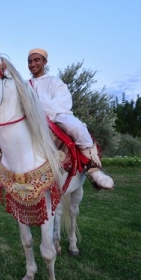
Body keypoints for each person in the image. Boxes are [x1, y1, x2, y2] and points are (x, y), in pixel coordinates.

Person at [27, 48, 114, 189]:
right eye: (30, 61)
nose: (33, 64)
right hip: (31, 119)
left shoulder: (55, 82)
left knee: (78, 128)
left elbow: (62, 103)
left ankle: (93, 169)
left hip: (58, 115)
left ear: (45, 62)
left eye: (36, 60)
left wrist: (42, 107)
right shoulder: (24, 85)